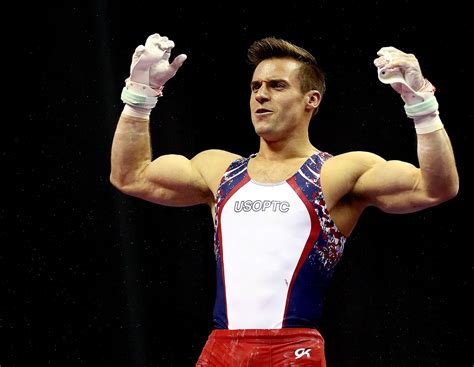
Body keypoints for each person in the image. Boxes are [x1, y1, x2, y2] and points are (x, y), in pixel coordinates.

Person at [110, 33, 459, 366]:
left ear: (312, 100)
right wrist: (139, 97)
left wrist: (423, 106)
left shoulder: (338, 173)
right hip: (220, 349)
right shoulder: (219, 171)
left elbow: (435, 187)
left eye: (277, 86)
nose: (261, 95)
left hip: (292, 352)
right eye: (255, 86)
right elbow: (130, 176)